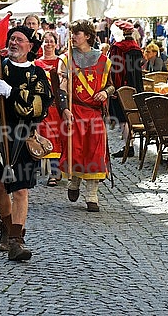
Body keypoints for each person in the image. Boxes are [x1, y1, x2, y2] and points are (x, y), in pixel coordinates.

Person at [0, 0, 53, 261]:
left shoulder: (37, 74)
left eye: (19, 40)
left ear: (30, 47)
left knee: (21, 190)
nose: (13, 43)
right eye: (11, 39)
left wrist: (12, 93)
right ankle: (5, 225)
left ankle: (17, 240)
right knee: (0, 187)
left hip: (23, 140)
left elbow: (38, 106)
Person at [58, 20, 115, 213]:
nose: (73, 37)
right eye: (72, 33)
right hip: (75, 112)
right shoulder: (66, 59)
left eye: (77, 33)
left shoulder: (103, 60)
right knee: (76, 150)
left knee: (95, 151)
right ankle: (74, 181)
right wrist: (65, 109)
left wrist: (106, 93)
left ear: (88, 36)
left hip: (94, 113)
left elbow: (112, 85)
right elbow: (61, 89)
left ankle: (92, 195)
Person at [108, 20, 144, 159]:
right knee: (132, 116)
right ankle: (130, 144)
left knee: (123, 118)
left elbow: (117, 70)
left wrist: (115, 89)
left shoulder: (118, 48)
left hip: (122, 88)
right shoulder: (136, 47)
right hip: (136, 86)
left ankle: (128, 146)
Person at [34, 31, 63, 186]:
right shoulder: (36, 63)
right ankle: (40, 169)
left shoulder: (61, 62)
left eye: (52, 41)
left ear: (56, 44)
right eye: (46, 41)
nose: (49, 44)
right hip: (42, 107)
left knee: (56, 139)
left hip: (56, 107)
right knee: (42, 137)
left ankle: (54, 172)